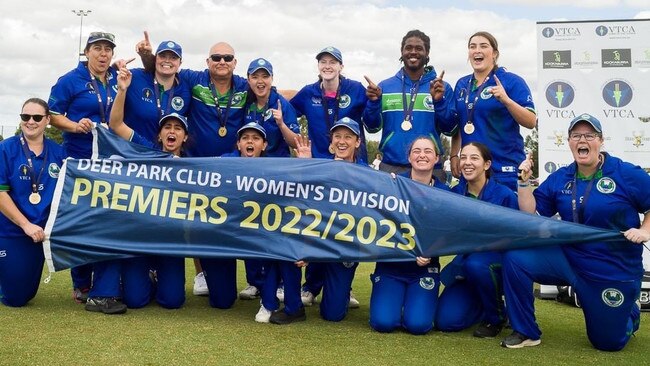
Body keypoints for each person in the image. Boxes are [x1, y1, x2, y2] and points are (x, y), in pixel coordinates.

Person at [502, 113, 650, 350]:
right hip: (569, 259)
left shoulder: (625, 173)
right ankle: (526, 331)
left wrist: (645, 230)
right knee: (516, 258)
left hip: (611, 268)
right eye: (576, 135)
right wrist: (523, 182)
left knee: (608, 343)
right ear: (569, 142)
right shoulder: (561, 177)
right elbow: (532, 214)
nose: (583, 140)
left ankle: (628, 314)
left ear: (600, 140)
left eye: (589, 135)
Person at [138, 33, 249, 306]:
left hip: (229, 168)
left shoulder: (245, 86)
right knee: (193, 217)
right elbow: (165, 67)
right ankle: (199, 273)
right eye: (216, 58)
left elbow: (268, 90)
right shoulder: (193, 78)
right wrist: (145, 56)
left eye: (227, 58)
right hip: (194, 165)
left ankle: (252, 279)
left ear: (235, 63)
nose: (221, 62)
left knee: (226, 219)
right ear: (207, 62)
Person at [48, 31, 127, 314]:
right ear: (87, 52)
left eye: (108, 49)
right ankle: (81, 283)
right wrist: (73, 125)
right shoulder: (70, 80)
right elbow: (52, 114)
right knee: (82, 224)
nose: (103, 54)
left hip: (109, 165)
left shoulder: (115, 79)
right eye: (97, 49)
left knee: (107, 222)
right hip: (80, 164)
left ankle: (104, 284)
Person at [290, 46, 367, 308]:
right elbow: (289, 110)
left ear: (341, 66)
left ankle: (345, 286)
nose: (327, 65)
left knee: (349, 224)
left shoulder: (356, 88)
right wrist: (287, 130)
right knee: (319, 222)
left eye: (333, 61)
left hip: (352, 167)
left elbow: (374, 118)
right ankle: (311, 285)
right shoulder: (309, 92)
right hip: (321, 167)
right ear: (318, 66)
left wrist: (377, 99)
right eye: (323, 61)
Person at [108, 65, 189, 309]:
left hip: (170, 242)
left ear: (185, 137)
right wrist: (122, 90)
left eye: (177, 128)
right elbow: (116, 124)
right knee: (135, 301)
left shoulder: (196, 164)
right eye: (167, 127)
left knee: (172, 301)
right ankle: (143, 276)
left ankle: (157, 278)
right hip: (140, 238)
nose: (172, 132)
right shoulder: (146, 151)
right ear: (160, 135)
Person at [435, 142, 518, 338]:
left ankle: (496, 317)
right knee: (445, 322)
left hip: (496, 265)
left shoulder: (504, 195)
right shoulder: (454, 194)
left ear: (487, 165)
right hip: (465, 268)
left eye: (474, 158)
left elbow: (516, 236)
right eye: (463, 157)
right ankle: (484, 302)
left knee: (477, 264)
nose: (467, 163)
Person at [238, 58, 301, 301]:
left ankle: (282, 282)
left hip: (278, 177)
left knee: (276, 229)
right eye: (255, 76)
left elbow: (296, 142)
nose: (260, 81)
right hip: (251, 176)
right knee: (250, 227)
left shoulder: (281, 103)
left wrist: (281, 123)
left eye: (264, 76)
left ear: (271, 79)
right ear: (249, 79)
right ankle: (255, 281)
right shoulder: (246, 102)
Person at [368, 137, 446, 334]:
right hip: (391, 266)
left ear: (436, 158)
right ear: (409, 157)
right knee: (382, 323)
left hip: (423, 270)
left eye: (428, 151)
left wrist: (432, 250)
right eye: (417, 151)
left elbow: (451, 230)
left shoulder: (446, 193)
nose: (422, 155)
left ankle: (411, 304)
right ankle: (394, 303)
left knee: (418, 326)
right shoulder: (392, 186)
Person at [293, 117, 365, 322]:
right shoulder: (319, 167)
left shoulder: (367, 175)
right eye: (337, 137)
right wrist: (304, 168)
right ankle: (310, 286)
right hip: (317, 239)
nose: (342, 141)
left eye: (348, 137)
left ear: (357, 142)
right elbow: (300, 200)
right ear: (331, 142)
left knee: (333, 314)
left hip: (344, 246)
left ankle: (342, 289)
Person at [445, 31, 536, 191]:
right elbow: (459, 124)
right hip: (472, 171)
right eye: (472, 47)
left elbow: (530, 121)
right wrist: (454, 155)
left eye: (483, 46)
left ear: (494, 54)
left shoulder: (511, 81)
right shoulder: (462, 84)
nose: (477, 50)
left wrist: (507, 101)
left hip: (504, 170)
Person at [363, 29, 454, 181]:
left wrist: (439, 101)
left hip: (431, 168)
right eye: (408, 48)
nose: (413, 52)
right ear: (402, 51)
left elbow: (450, 129)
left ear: (427, 53)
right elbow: (372, 128)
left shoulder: (441, 88)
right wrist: (373, 103)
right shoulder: (384, 87)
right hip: (391, 167)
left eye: (419, 48)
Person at [0, 98, 65, 307]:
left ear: (47, 120)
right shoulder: (5, 149)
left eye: (37, 117)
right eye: (25, 117)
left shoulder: (59, 152)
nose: (30, 121)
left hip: (41, 234)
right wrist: (26, 225)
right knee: (15, 299)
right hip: (13, 230)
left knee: (26, 293)